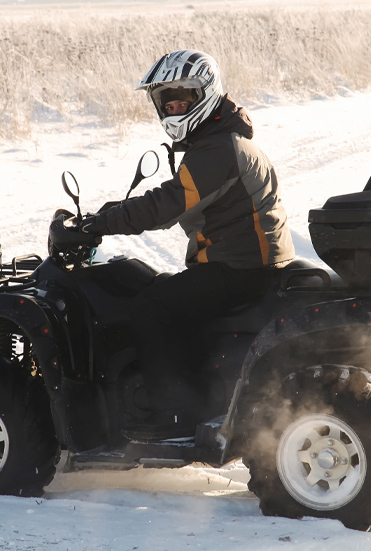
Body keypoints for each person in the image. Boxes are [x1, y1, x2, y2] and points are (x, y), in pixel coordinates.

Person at [80, 50, 295, 438]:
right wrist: (111, 214)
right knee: (164, 290)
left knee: (151, 307)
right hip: (247, 263)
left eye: (184, 100)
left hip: (241, 268)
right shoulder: (220, 141)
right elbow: (174, 201)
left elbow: (168, 204)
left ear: (206, 94)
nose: (175, 108)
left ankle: (175, 415)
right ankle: (202, 395)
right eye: (169, 102)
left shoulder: (219, 149)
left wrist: (101, 222)